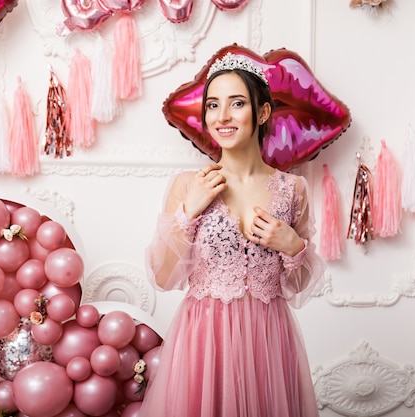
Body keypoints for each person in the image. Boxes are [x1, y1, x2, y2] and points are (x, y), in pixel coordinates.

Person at [138, 50, 326, 417]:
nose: (221, 116)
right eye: (212, 105)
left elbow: (298, 286)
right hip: (204, 339)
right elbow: (162, 276)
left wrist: (294, 247)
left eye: (236, 103)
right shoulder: (189, 184)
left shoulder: (293, 190)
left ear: (262, 112)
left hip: (268, 339)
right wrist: (188, 210)